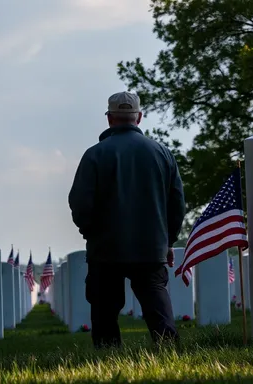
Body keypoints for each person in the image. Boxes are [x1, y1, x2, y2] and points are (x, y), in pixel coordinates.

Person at [68, 91, 186, 349]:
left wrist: (91, 233)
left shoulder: (94, 154)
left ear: (110, 119)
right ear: (139, 117)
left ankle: (108, 356)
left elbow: (79, 202)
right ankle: (169, 350)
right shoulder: (162, 153)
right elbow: (176, 203)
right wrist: (168, 240)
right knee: (156, 301)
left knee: (104, 309)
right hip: (151, 244)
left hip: (106, 246)